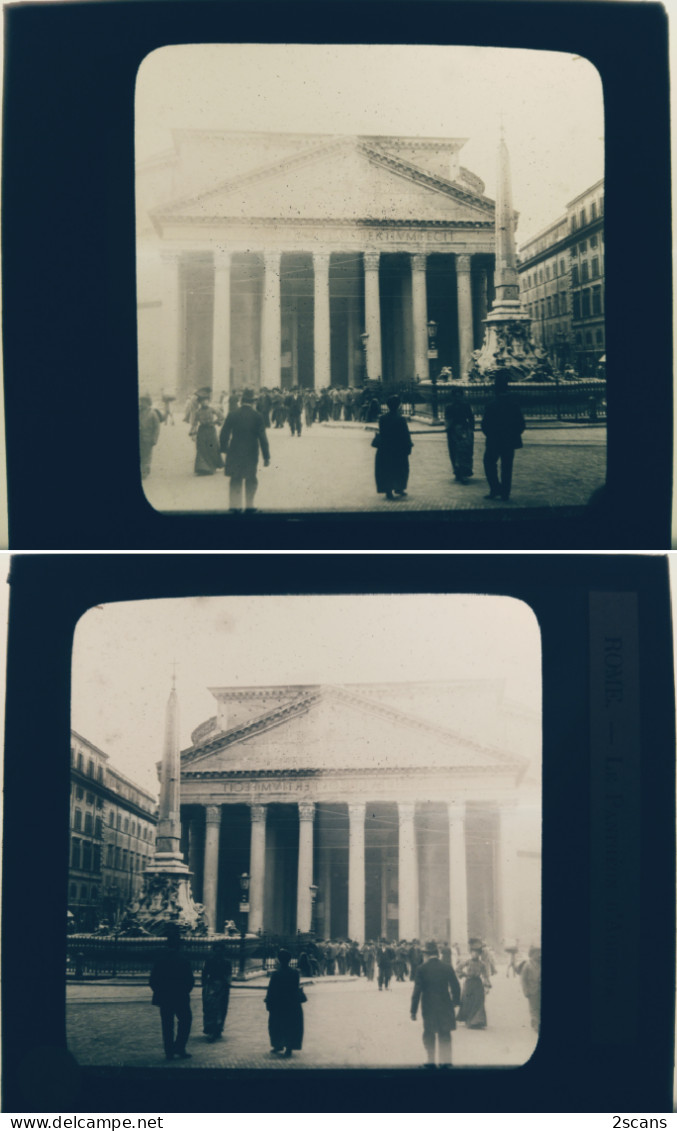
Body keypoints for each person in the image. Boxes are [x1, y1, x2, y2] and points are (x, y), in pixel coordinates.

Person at [410, 940, 461, 1069]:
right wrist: (455, 1001)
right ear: (437, 954)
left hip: (429, 1006)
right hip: (445, 1004)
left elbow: (417, 991)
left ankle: (430, 1061)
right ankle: (446, 1062)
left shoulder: (421, 969)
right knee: (445, 1033)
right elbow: (456, 986)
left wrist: (413, 1011)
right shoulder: (447, 967)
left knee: (429, 1033)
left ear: (426, 954)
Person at [219, 388, 270, 513]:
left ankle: (235, 507)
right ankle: (249, 507)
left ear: (241, 401)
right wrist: (266, 456)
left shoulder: (232, 414)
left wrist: (224, 448)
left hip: (235, 450)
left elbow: (224, 433)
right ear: (253, 402)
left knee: (235, 478)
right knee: (250, 478)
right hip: (251, 452)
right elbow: (263, 438)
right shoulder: (258, 416)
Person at [149, 924, 195, 1060]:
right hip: (181, 996)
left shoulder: (160, 960)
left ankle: (169, 1051)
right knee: (185, 1021)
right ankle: (180, 1047)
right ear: (178, 946)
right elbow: (190, 981)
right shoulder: (184, 960)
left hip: (164, 997)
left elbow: (153, 980)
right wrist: (185, 991)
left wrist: (159, 992)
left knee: (167, 1024)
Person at [481, 369, 525, 501]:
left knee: (489, 463)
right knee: (507, 467)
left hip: (494, 441)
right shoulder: (514, 405)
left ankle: (495, 489)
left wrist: (490, 435)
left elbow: (485, 425)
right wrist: (513, 435)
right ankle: (505, 492)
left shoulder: (491, 405)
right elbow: (521, 425)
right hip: (509, 441)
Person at [264, 948, 306, 1058]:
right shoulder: (295, 973)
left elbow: (271, 990)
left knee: (276, 1025)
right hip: (292, 1003)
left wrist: (268, 1002)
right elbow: (295, 987)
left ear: (279, 960)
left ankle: (278, 1045)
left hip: (279, 1004)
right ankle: (289, 1047)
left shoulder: (276, 974)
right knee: (291, 1025)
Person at [373, 394, 413, 500]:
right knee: (401, 469)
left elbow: (382, 432)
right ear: (398, 406)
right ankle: (399, 488)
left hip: (385, 448)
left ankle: (388, 490)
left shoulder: (382, 418)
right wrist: (408, 446)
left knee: (387, 469)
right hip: (398, 448)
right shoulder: (401, 419)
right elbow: (405, 434)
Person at [200, 939, 232, 1042]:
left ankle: (218, 1029)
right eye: (216, 950)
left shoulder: (226, 962)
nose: (218, 952)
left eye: (220, 950)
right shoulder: (210, 960)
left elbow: (229, 975)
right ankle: (211, 1029)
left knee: (221, 1009)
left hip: (222, 987)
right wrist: (204, 985)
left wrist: (227, 983)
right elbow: (204, 973)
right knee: (210, 1008)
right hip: (211, 986)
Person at [457, 939, 492, 1029]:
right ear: (471, 953)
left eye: (476, 953)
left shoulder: (482, 964)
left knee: (479, 1001)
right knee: (468, 1001)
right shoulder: (467, 962)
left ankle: (477, 1021)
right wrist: (463, 974)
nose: (474, 954)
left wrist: (487, 986)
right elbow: (458, 969)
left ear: (479, 954)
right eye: (473, 952)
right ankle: (469, 1020)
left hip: (478, 984)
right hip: (468, 983)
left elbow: (485, 976)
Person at [444, 386, 475, 484]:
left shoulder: (465, 405)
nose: (458, 398)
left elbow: (471, 417)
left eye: (459, 396)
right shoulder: (449, 407)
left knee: (465, 452)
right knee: (454, 452)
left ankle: (464, 472)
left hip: (464, 430)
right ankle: (458, 471)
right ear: (453, 397)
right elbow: (447, 419)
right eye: (456, 396)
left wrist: (471, 429)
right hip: (453, 431)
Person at [193, 398, 224, 476]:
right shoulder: (198, 412)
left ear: (208, 401)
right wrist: (193, 433)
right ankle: (202, 468)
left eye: (206, 401)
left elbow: (221, 416)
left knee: (212, 447)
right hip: (202, 431)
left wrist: (216, 422)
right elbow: (194, 423)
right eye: (202, 401)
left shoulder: (212, 409)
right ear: (200, 403)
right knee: (201, 448)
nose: (204, 403)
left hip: (211, 430)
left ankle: (212, 467)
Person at [520, 946, 541, 1032]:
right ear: (531, 955)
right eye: (537, 953)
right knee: (534, 1008)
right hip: (532, 990)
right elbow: (523, 980)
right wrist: (526, 991)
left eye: (540, 953)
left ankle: (537, 1023)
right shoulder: (527, 965)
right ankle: (536, 1025)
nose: (539, 955)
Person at [139, 396, 161, 480]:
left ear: (147, 403)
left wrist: (154, 439)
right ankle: (143, 470)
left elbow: (157, 427)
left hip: (148, 439)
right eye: (140, 402)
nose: (140, 404)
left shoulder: (153, 413)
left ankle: (144, 471)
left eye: (142, 402)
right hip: (140, 438)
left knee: (147, 456)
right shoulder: (139, 412)